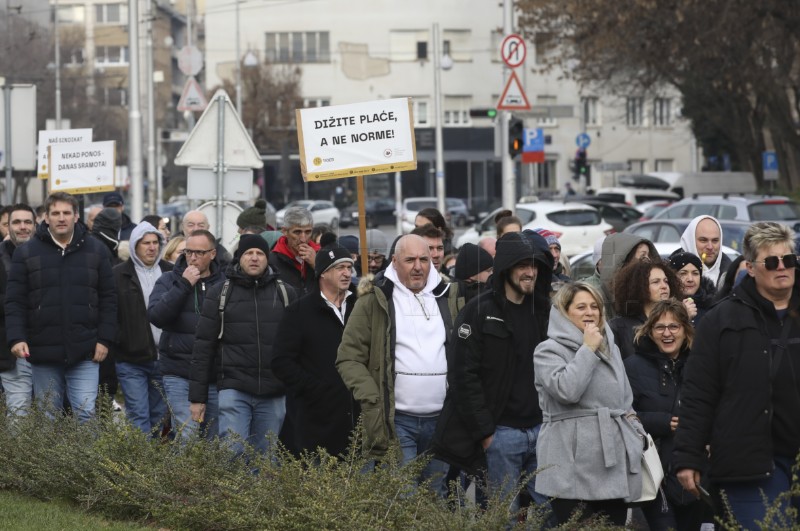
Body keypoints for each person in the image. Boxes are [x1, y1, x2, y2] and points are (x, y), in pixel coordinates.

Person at [673, 221, 800, 529]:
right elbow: (699, 392)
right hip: (748, 461)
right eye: (771, 261)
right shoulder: (721, 319)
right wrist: (688, 455)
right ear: (751, 268)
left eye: (789, 260)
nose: (782, 267)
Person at [433, 232, 553, 515]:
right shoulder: (478, 311)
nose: (530, 272)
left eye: (534, 265)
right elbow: (463, 377)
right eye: (522, 265)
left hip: (541, 432)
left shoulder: (544, 311)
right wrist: (486, 433)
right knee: (502, 517)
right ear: (506, 268)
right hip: (501, 435)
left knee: (549, 515)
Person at [337, 235, 460, 496]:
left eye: (424, 260)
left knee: (435, 496)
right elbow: (348, 356)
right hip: (397, 421)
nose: (418, 266)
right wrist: (372, 399)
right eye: (410, 260)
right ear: (395, 262)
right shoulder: (375, 299)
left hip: (442, 421)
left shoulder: (449, 297)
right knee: (403, 497)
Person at [534, 282, 646, 526]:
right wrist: (588, 349)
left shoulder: (611, 348)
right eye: (581, 307)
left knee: (613, 525)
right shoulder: (547, 350)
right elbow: (567, 390)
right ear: (564, 312)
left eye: (595, 306)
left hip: (613, 459)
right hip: (570, 461)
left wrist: (635, 432)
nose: (590, 312)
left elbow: (625, 398)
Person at [5, 192, 117, 422]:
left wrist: (105, 339)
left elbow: (109, 298)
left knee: (86, 414)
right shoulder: (26, 253)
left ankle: (87, 460)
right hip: (42, 350)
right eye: (55, 213)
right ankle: (51, 461)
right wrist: (16, 337)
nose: (61, 218)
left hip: (85, 350)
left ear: (76, 216)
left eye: (67, 212)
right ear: (45, 217)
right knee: (48, 417)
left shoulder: (96, 251)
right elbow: (15, 300)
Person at [190, 235, 296, 455]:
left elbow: (297, 346)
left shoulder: (286, 293)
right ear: (240, 258)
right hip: (234, 386)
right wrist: (198, 397)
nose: (254, 258)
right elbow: (203, 347)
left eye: (260, 253)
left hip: (274, 390)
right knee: (232, 451)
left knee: (266, 457)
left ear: (267, 258)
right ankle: (230, 491)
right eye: (249, 253)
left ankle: (261, 491)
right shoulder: (220, 293)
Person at [624, 299, 712, 530]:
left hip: (695, 468)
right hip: (654, 472)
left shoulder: (701, 364)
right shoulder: (633, 367)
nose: (667, 333)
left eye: (674, 326)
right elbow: (623, 417)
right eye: (659, 327)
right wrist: (661, 422)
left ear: (685, 330)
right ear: (650, 332)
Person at [272, 238, 358, 457]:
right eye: (340, 268)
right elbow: (281, 362)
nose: (347, 273)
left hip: (357, 423)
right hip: (314, 423)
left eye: (349, 267)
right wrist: (315, 390)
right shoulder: (299, 312)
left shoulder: (361, 307)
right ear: (322, 273)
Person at [148, 229, 224, 439]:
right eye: (189, 252)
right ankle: (185, 474)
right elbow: (156, 316)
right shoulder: (168, 280)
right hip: (179, 370)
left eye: (199, 253)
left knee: (214, 438)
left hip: (214, 372)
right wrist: (183, 285)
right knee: (186, 435)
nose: (193, 257)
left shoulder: (225, 283)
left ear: (212, 254)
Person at [111, 222, 172, 434]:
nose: (151, 247)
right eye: (146, 243)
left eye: (156, 242)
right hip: (131, 359)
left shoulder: (170, 272)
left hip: (164, 358)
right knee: (138, 414)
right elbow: (111, 313)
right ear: (135, 245)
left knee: (158, 415)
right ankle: (139, 465)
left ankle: (152, 464)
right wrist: (121, 340)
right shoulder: (118, 275)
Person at [609, 259, 690, 359]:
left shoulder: (679, 320)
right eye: (656, 282)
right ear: (638, 287)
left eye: (666, 281)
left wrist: (684, 319)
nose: (664, 286)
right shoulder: (618, 327)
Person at [0, 204, 36, 414]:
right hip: (9, 349)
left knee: (51, 409)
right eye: (16, 222)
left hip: (47, 346)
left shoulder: (52, 255)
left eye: (27, 222)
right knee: (19, 409)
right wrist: (16, 301)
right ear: (7, 227)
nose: (22, 227)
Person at [581, 233, 660, 318]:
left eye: (648, 255)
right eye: (643, 255)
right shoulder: (590, 291)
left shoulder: (648, 287)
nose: (648, 260)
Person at [269, 206, 320, 296]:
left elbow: (334, 289)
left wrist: (316, 265)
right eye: (297, 232)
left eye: (308, 232)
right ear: (284, 231)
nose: (303, 239)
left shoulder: (322, 255)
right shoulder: (271, 261)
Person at [679, 215, 731, 286]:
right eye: (703, 240)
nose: (710, 247)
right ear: (690, 241)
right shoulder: (668, 276)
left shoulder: (732, 276)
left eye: (715, 241)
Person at [668, 250, 716, 324]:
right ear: (672, 278)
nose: (690, 279)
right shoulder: (663, 307)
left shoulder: (713, 306)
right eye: (683, 273)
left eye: (695, 273)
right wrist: (682, 317)